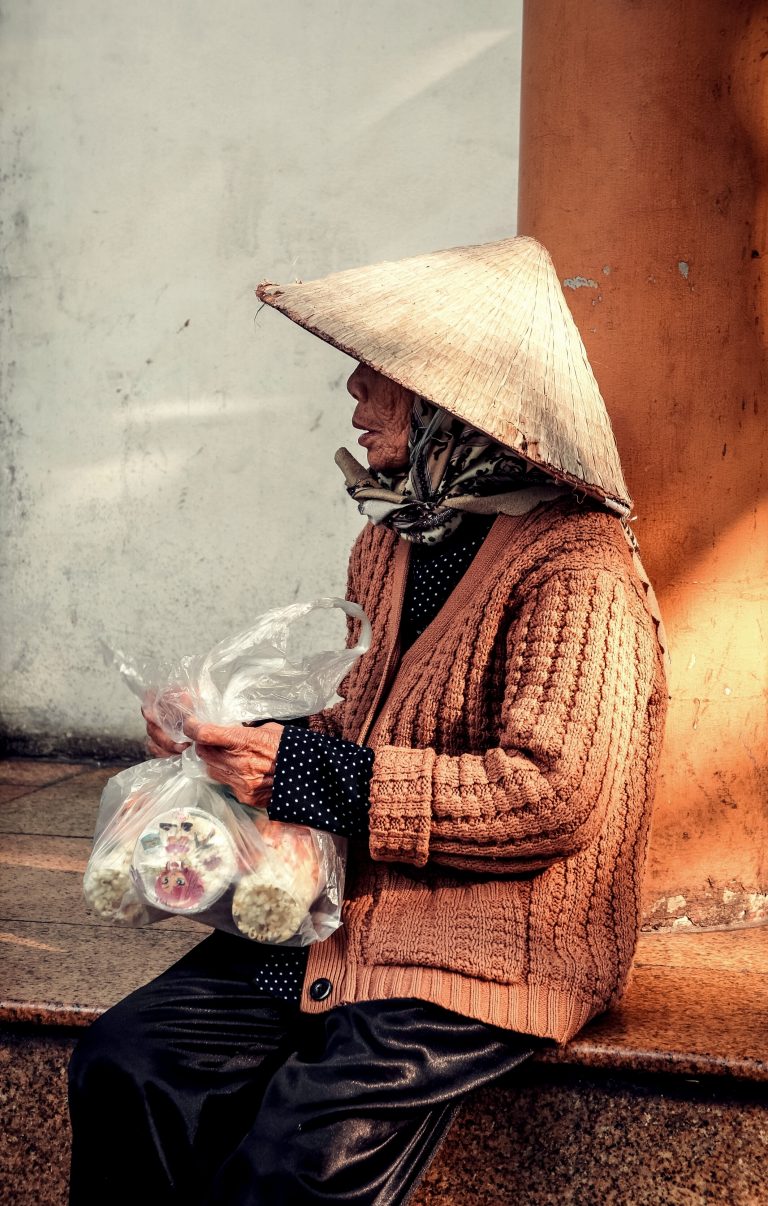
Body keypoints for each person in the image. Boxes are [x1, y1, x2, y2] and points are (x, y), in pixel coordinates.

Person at [68, 236, 668, 1205]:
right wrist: (229, 736)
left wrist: (299, 775)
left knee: (300, 1165)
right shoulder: (391, 542)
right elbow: (363, 720)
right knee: (128, 1062)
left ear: (453, 404)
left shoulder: (577, 567)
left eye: (381, 374)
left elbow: (552, 796)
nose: (354, 392)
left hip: (484, 939)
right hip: (341, 914)